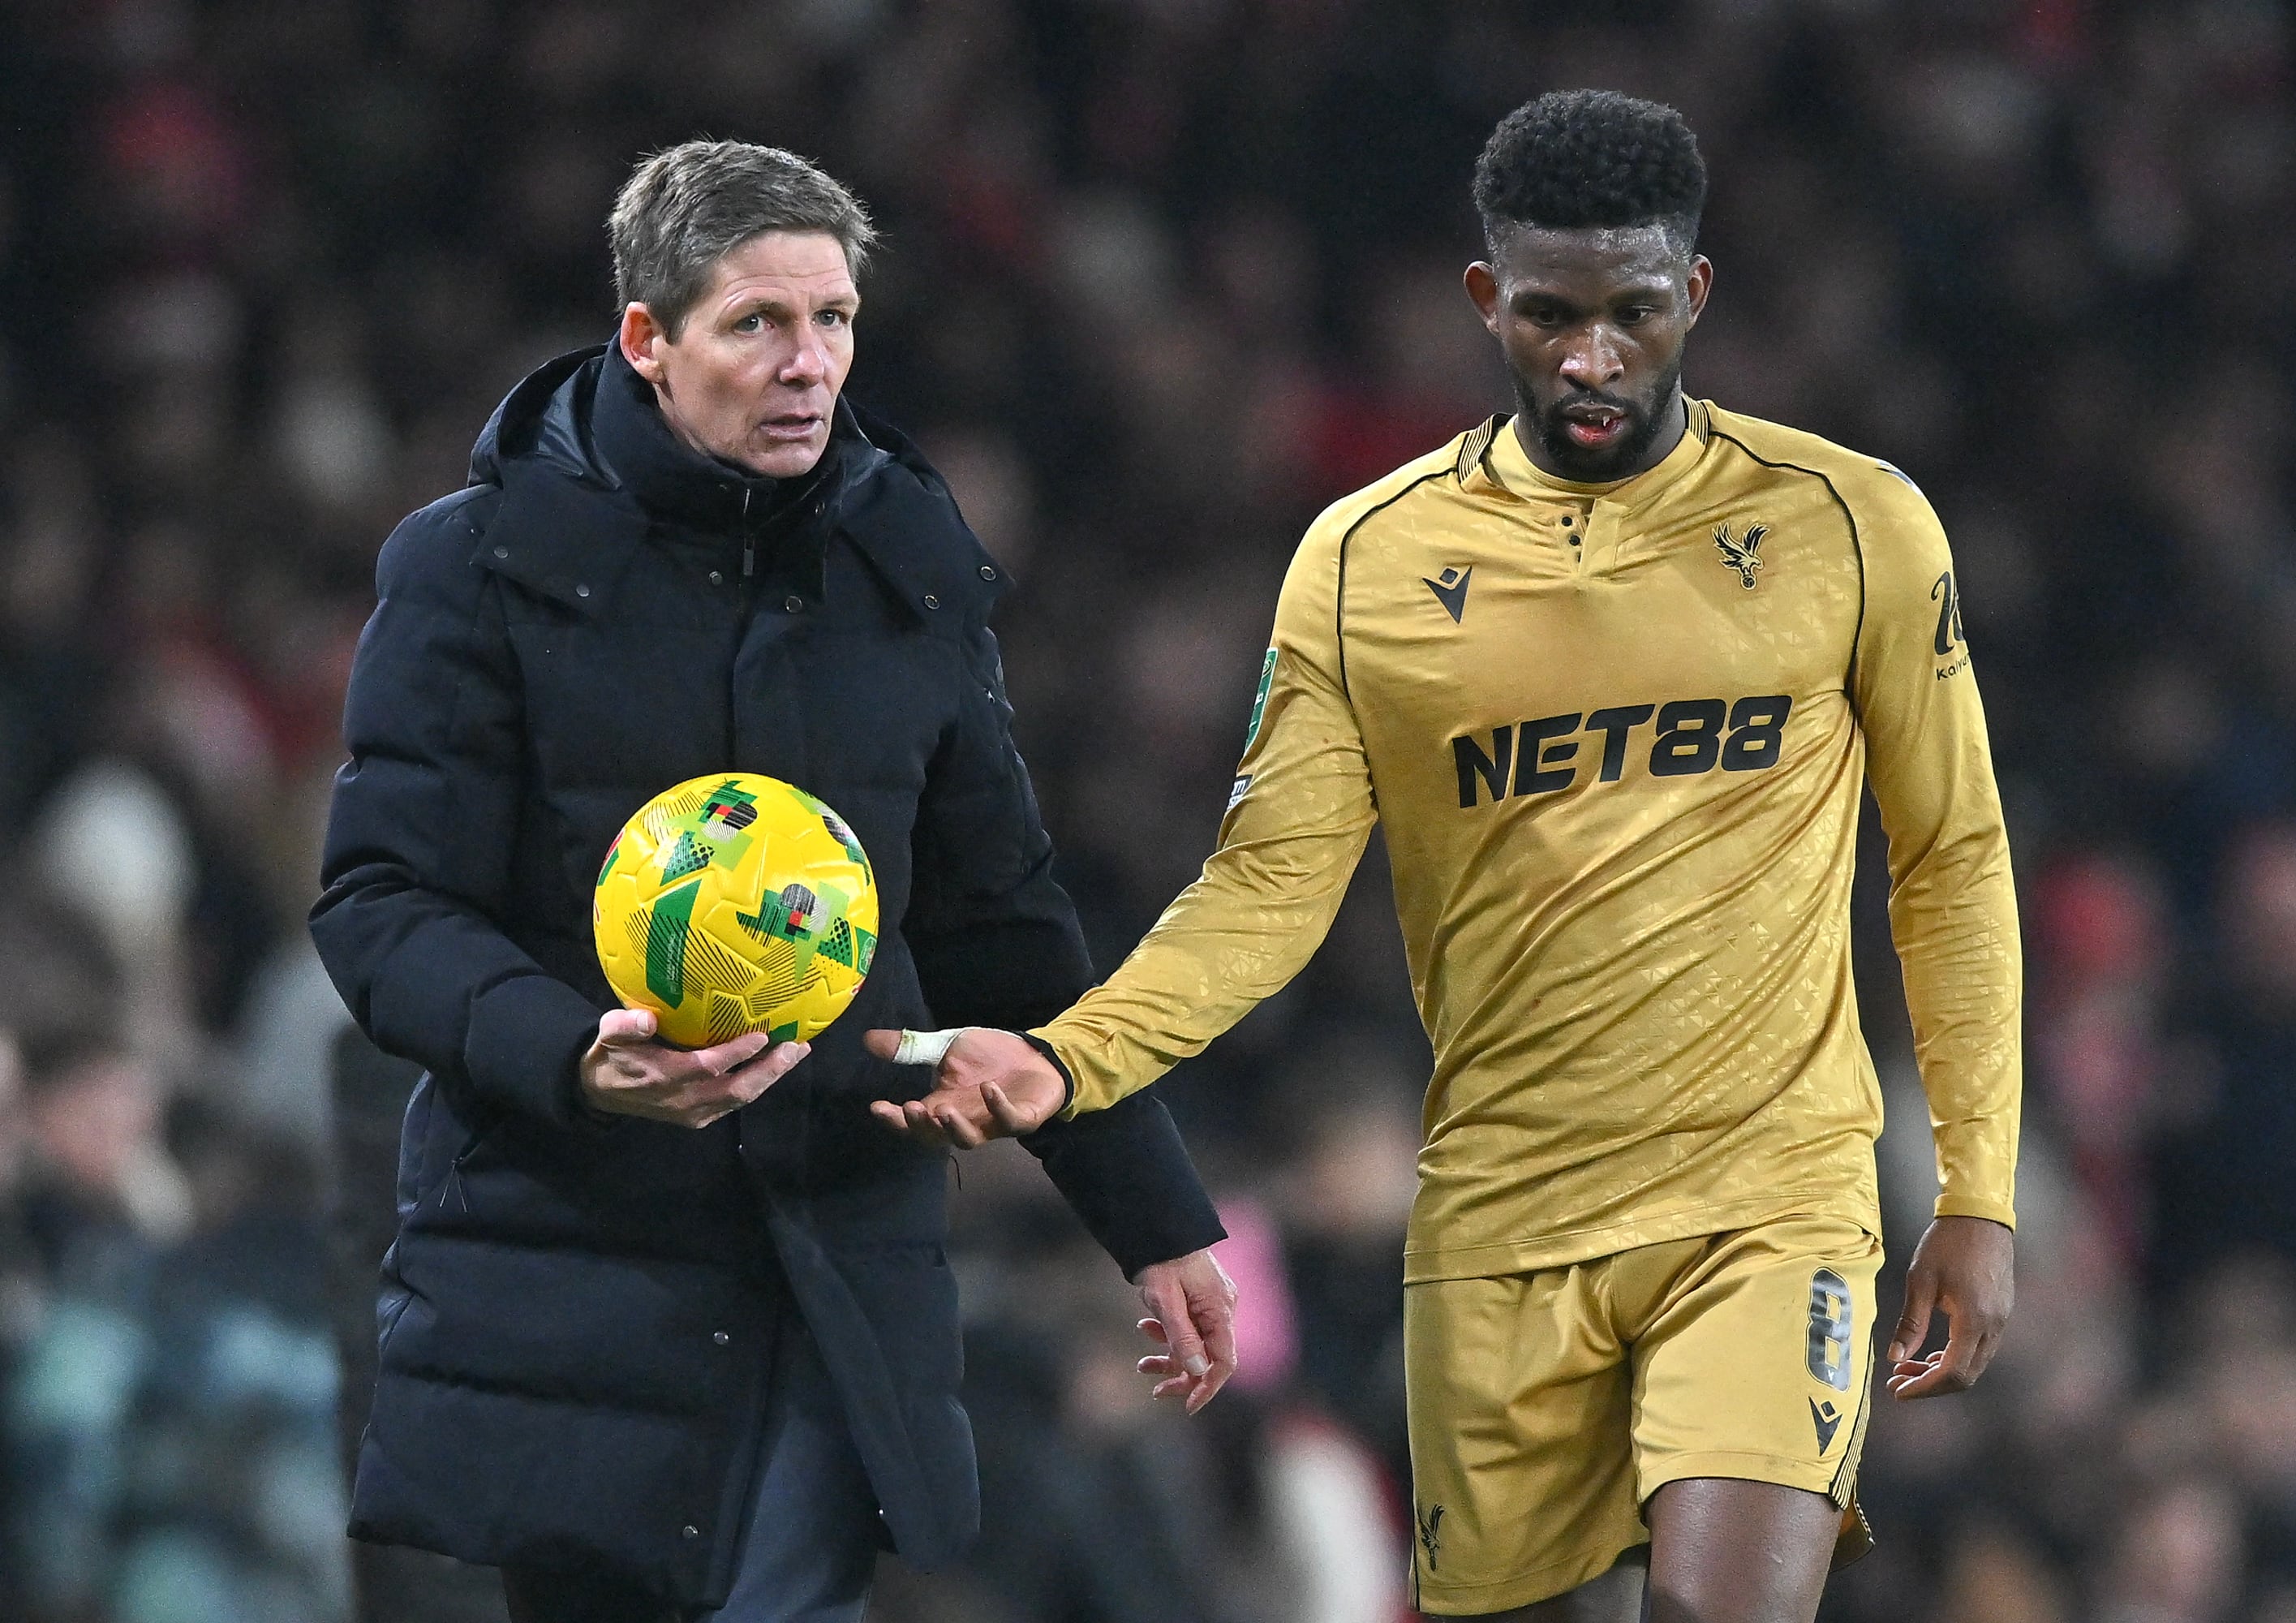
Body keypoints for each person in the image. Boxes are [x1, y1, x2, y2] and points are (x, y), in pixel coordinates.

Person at [869, 92, 2023, 1623]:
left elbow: (1948, 854)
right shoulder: (1368, 565)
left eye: (1633, 311)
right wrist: (1067, 1063)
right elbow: (1266, 891)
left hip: (1773, 1194)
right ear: (1487, 300)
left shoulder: (1852, 526)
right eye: (1550, 314)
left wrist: (1978, 1191)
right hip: (1501, 1222)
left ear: (1698, 294)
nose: (1592, 358)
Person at [310, 140, 1237, 1623]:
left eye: (836, 320)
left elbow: (1002, 928)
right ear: (647, 340)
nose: (811, 364)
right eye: (757, 323)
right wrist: (571, 1057)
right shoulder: (474, 570)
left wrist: (1155, 1216)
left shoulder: (908, 565)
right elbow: (377, 907)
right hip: (570, 1262)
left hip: (830, 1252)